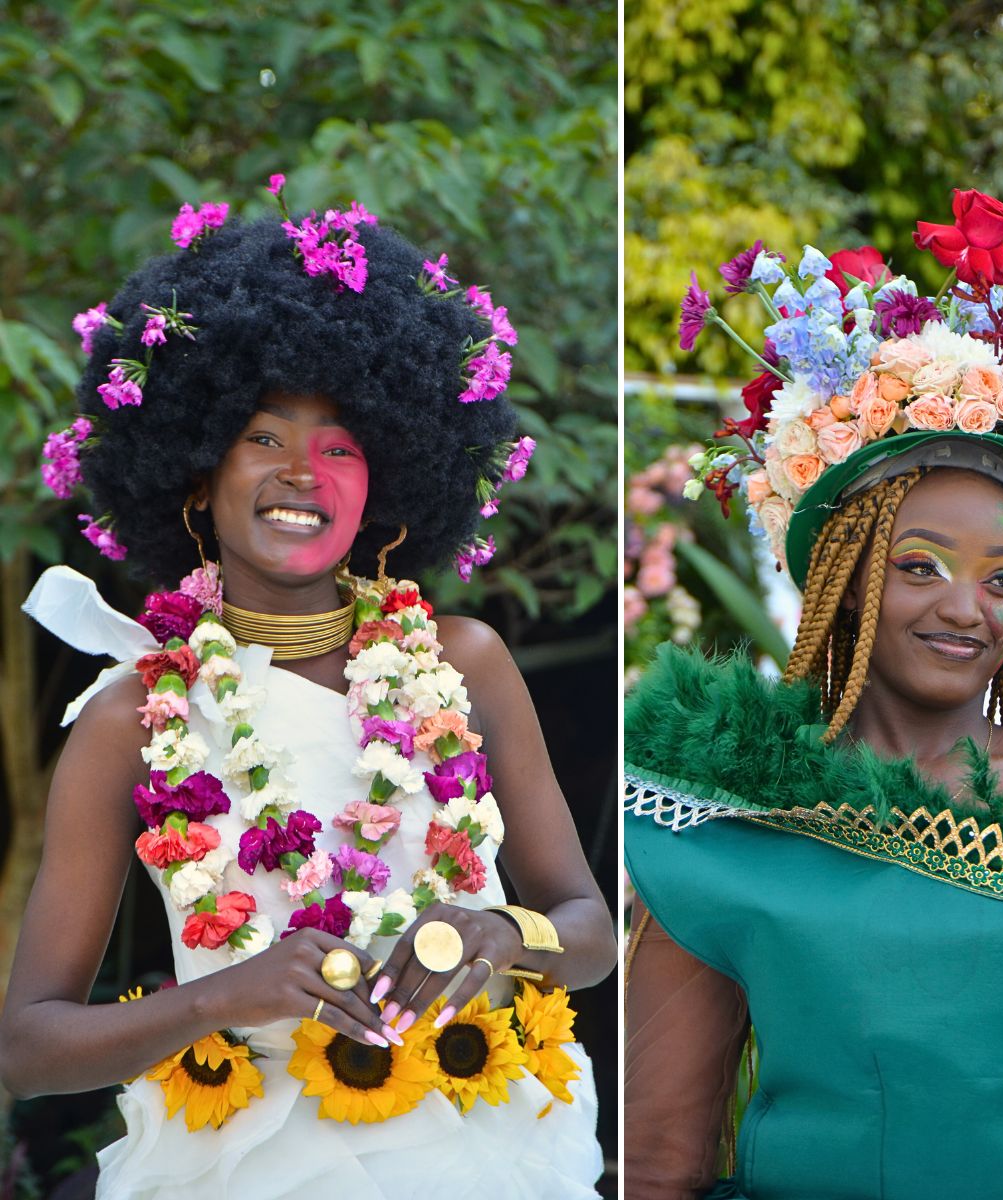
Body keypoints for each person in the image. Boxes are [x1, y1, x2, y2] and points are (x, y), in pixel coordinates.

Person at [0, 179, 615, 1199]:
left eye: (340, 445)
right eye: (264, 436)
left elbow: (587, 930)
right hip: (231, 1160)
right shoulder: (129, 719)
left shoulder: (463, 663)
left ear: (386, 483)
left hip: (485, 1142)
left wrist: (500, 934)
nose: (302, 471)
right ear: (196, 471)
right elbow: (27, 1046)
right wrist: (223, 996)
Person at [623, 193, 1003, 1200]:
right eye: (920, 565)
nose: (967, 609)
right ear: (843, 571)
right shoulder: (723, 819)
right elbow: (656, 1164)